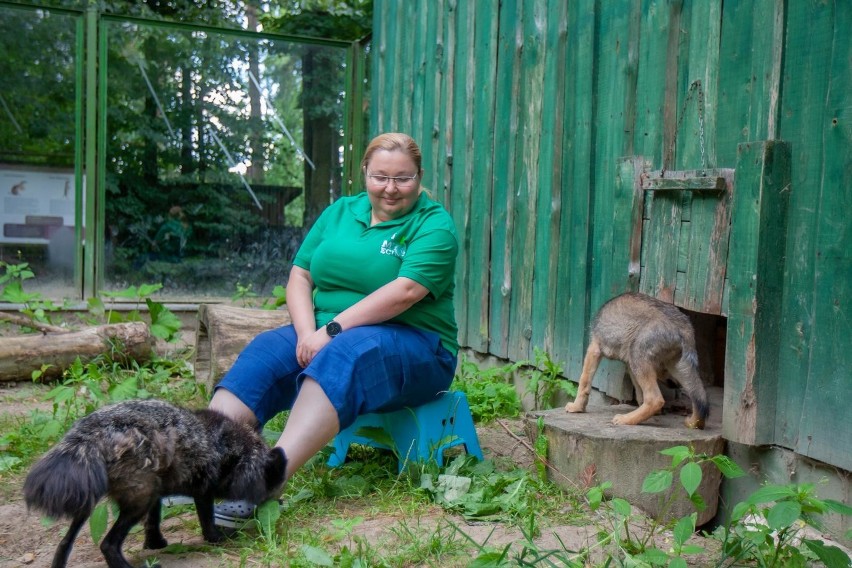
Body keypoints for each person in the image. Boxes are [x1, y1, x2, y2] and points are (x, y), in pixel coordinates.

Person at [209, 132, 460, 527]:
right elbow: (300, 275)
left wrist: (331, 332)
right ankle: (207, 463)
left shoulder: (434, 225)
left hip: (417, 344)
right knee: (265, 353)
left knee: (348, 352)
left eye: (403, 178)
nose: (390, 189)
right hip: (328, 328)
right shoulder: (341, 211)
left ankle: (266, 480)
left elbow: (405, 291)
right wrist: (308, 333)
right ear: (364, 173)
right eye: (380, 177)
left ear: (420, 176)